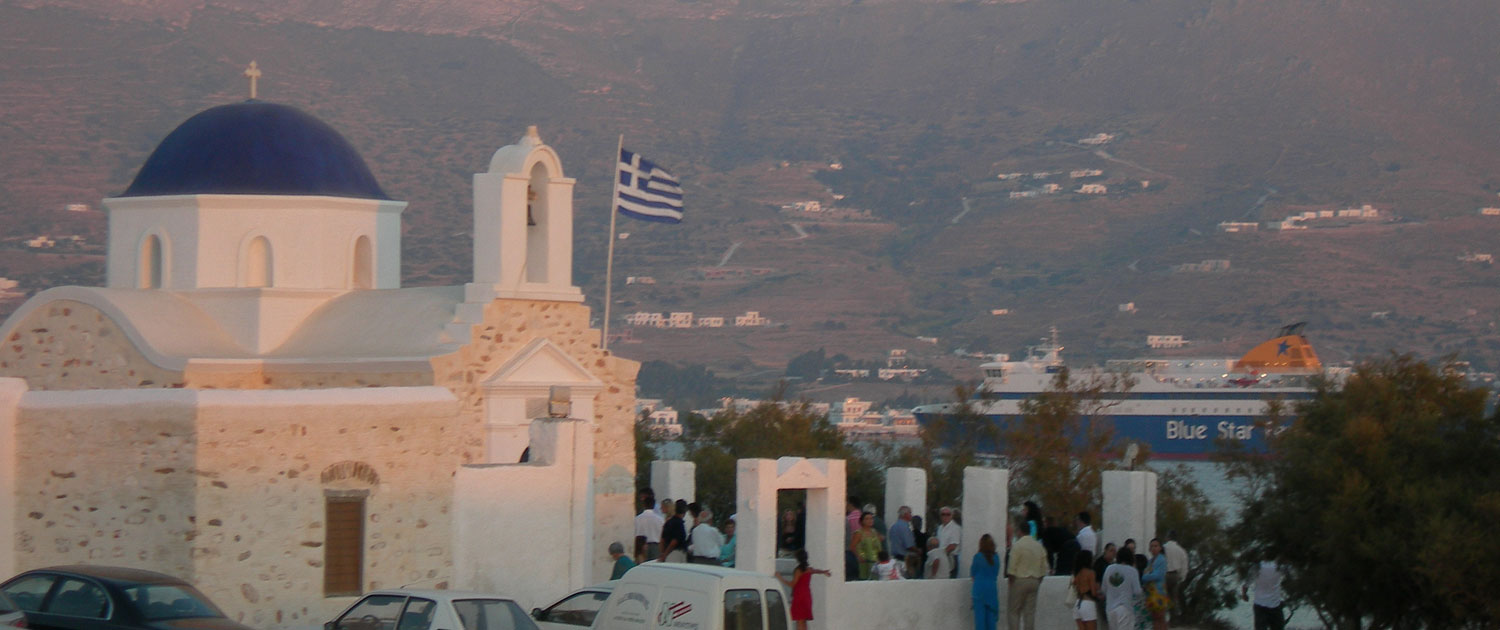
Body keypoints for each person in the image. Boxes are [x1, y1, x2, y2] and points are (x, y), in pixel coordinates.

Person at [1006, 514, 1049, 630]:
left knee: (1014, 611)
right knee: (1029, 613)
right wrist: (1038, 580)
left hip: (1019, 580)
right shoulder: (1038, 546)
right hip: (1035, 580)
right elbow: (1045, 568)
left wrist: (1011, 583)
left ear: (1019, 531)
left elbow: (1011, 568)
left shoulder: (1018, 545)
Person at [778, 549, 831, 630]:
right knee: (804, 621)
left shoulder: (798, 570)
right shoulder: (808, 569)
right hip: (807, 596)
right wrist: (824, 572)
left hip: (799, 597)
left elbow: (792, 584)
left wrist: (780, 578)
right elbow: (816, 571)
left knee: (799, 621)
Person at [1102, 547, 1142, 630]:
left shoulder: (1109, 568)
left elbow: (1103, 589)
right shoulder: (1132, 570)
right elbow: (1137, 592)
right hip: (1125, 607)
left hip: (1110, 608)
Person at [1242, 559, 1286, 630]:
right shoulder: (1280, 567)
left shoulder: (1257, 567)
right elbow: (1292, 576)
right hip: (1275, 605)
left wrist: (1244, 594)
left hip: (1260, 605)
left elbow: (1246, 584)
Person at [971, 533, 1001, 630]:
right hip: (991, 590)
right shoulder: (996, 558)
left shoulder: (977, 557)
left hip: (979, 590)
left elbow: (973, 573)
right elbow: (996, 574)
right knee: (991, 620)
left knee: (980, 620)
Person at [1142, 539, 1169, 630]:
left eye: (1156, 546)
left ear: (1160, 548)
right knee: (1154, 618)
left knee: (1160, 617)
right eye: (1152, 546)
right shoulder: (1150, 561)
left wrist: (1145, 577)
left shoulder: (1161, 560)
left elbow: (1157, 575)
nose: (1153, 548)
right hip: (1150, 592)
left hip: (1159, 592)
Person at [1162, 532, 1188, 625]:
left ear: (1168, 537)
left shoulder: (1163, 548)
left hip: (1164, 575)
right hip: (1175, 575)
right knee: (1173, 598)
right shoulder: (1181, 550)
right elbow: (1184, 565)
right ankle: (1173, 620)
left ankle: (1163, 619)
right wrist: (1182, 577)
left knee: (1163, 597)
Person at [851, 511, 883, 579]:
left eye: (871, 518)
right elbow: (852, 547)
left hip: (876, 561)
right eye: (867, 519)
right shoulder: (858, 533)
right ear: (862, 521)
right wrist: (859, 557)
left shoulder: (874, 531)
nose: (870, 520)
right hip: (864, 561)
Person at [1072, 550, 1099, 630]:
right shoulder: (1090, 573)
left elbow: (1074, 585)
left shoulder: (1076, 573)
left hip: (1077, 604)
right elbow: (1093, 593)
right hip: (1088, 603)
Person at [634, 495, 664, 561]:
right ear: (653, 505)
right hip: (656, 546)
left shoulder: (637, 519)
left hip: (642, 546)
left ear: (644, 505)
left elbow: (635, 533)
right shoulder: (660, 519)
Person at [937, 506, 963, 578]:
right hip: (942, 557)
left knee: (950, 578)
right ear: (940, 516)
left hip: (951, 558)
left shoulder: (955, 528)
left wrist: (941, 555)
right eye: (943, 514)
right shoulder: (940, 528)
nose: (945, 516)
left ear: (951, 516)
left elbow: (953, 545)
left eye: (948, 514)